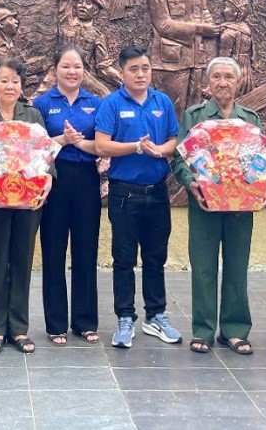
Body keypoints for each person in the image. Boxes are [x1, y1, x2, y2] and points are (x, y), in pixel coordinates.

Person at [95, 45, 182, 349]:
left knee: (155, 257)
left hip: (157, 192)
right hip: (124, 194)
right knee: (124, 259)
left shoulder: (162, 101)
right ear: (122, 73)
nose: (141, 74)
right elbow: (102, 145)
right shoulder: (111, 103)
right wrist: (135, 146)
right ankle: (125, 317)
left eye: (145, 68)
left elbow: (174, 139)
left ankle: (156, 315)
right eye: (134, 69)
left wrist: (161, 150)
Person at [172, 57, 260, 355]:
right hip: (204, 205)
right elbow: (180, 159)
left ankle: (234, 330)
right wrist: (190, 184)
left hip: (240, 208)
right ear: (208, 83)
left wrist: (258, 188)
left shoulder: (249, 119)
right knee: (203, 268)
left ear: (238, 81)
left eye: (228, 77)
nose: (223, 83)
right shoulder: (195, 117)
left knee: (237, 267)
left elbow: (261, 160)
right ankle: (203, 330)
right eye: (217, 77)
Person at [0, 57, 50, 355]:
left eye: (15, 80)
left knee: (22, 263)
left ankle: (19, 328)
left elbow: (46, 156)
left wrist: (49, 179)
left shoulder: (33, 116)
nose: (10, 86)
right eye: (4, 80)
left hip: (27, 204)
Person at [33, 46, 103, 345]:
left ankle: (85, 321)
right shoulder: (41, 104)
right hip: (54, 179)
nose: (72, 72)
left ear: (84, 70)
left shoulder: (96, 103)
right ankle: (56, 323)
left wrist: (84, 144)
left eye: (77, 66)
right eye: (66, 66)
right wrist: (62, 139)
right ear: (56, 69)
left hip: (86, 178)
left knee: (86, 250)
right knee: (53, 250)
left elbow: (104, 142)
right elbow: (34, 147)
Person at [147, 0, 219, 113]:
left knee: (195, 109)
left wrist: (213, 27)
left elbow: (204, 14)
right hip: (170, 63)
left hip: (196, 60)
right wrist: (199, 28)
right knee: (173, 111)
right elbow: (163, 25)